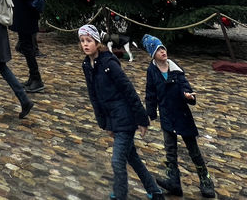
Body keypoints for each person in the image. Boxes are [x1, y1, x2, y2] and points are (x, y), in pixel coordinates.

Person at [79, 24, 164, 200]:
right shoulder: (87, 64)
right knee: (131, 156)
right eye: (82, 41)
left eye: (89, 41)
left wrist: (142, 119)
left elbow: (128, 89)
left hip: (125, 116)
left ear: (97, 42)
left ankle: (120, 195)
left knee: (117, 161)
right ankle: (154, 191)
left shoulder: (109, 63)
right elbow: (94, 95)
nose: (85, 44)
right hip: (112, 117)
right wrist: (103, 123)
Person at [142, 34, 216, 198]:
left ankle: (206, 180)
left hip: (182, 114)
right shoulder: (152, 71)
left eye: (163, 48)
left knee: (193, 150)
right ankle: (174, 181)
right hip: (167, 116)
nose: (162, 51)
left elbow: (186, 88)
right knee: (170, 150)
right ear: (152, 54)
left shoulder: (176, 70)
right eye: (158, 49)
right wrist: (150, 114)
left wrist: (188, 96)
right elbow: (150, 93)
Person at [6, 0, 44, 93]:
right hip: (23, 18)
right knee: (26, 47)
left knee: (27, 48)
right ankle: (33, 78)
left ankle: (37, 80)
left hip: (27, 18)